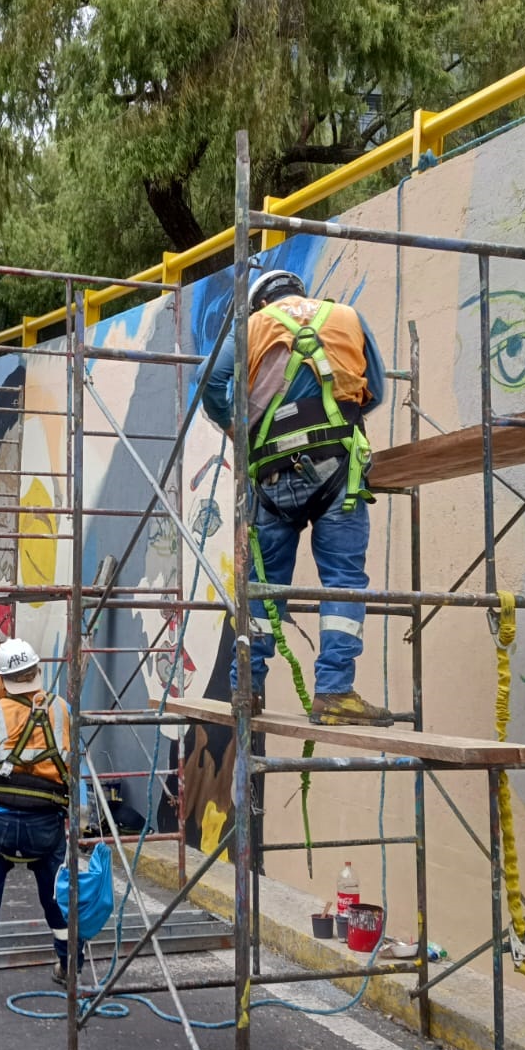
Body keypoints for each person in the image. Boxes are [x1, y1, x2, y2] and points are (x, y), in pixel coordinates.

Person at [200, 267, 391, 726]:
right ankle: (334, 692)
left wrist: (237, 430)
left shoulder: (250, 328)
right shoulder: (347, 317)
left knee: (262, 587)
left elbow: (211, 387)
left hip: (271, 476)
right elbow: (377, 392)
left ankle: (247, 687)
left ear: (259, 303)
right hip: (336, 470)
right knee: (343, 580)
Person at [0, 638, 74, 1000]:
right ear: (37, 673)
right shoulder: (63, 710)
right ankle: (70, 968)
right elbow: (73, 766)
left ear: (3, 680)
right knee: (58, 899)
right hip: (47, 822)